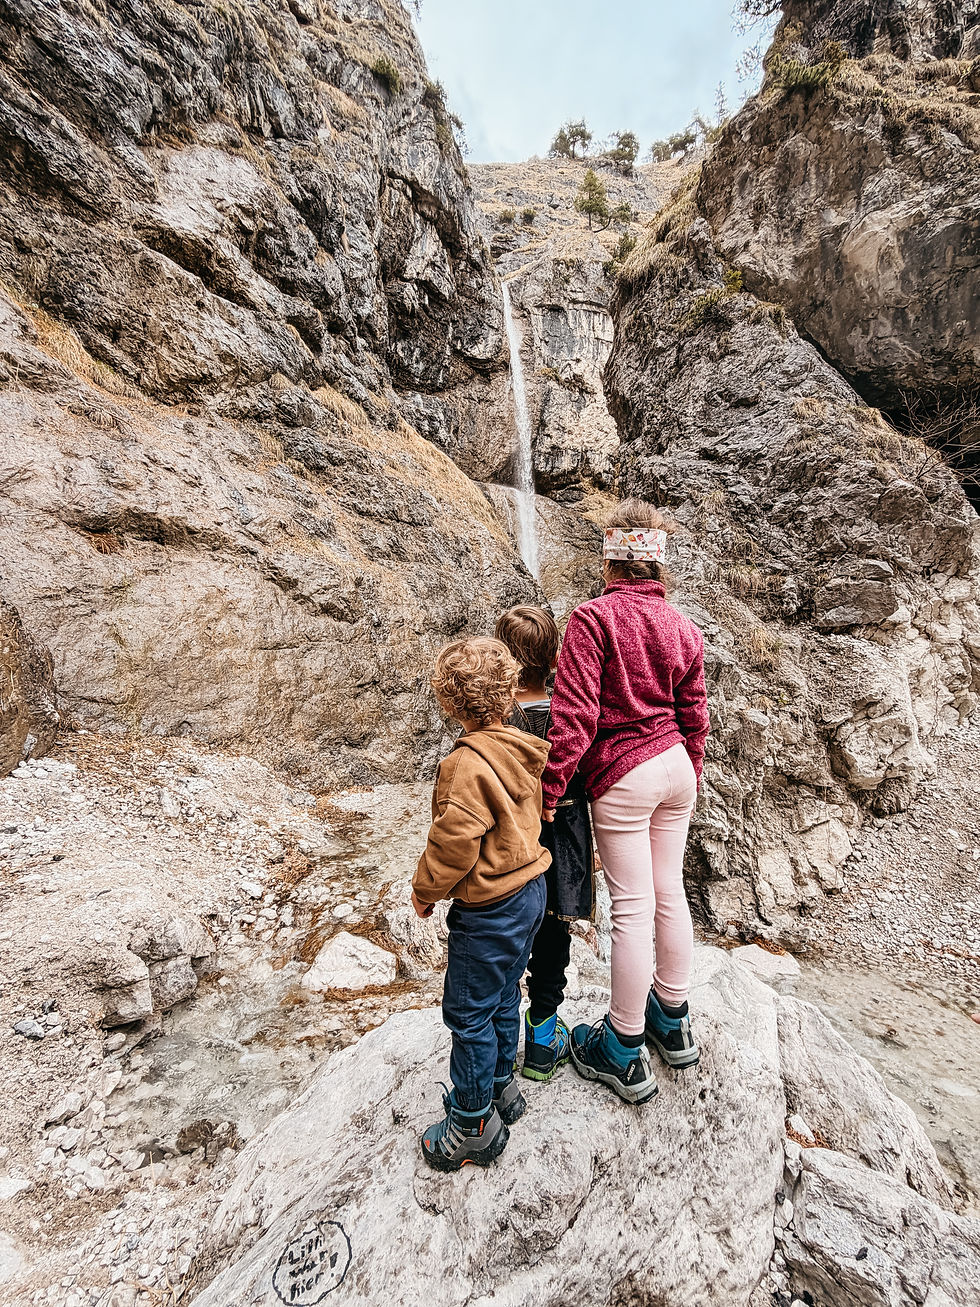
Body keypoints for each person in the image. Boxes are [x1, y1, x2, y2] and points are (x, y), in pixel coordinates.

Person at [540, 499, 709, 1105]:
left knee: (632, 909)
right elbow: (695, 714)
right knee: (670, 892)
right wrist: (689, 772)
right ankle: (673, 1018)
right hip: (675, 768)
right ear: (659, 564)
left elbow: (575, 717)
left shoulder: (593, 619)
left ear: (610, 561)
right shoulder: (683, 627)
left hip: (625, 773)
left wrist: (550, 789)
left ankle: (621, 1044)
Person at [411, 636, 550, 1171]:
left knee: (468, 1012)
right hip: (530, 891)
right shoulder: (522, 747)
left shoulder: (465, 765)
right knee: (505, 993)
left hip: (489, 907)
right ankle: (501, 1087)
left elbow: (454, 843)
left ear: (449, 702)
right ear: (510, 690)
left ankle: (472, 1123)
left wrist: (425, 890)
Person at [494, 606, 594, 1083]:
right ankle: (542, 1039)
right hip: (564, 838)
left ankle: (500, 1044)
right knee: (554, 936)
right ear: (555, 658)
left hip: (513, 845)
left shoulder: (495, 723)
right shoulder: (567, 716)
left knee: (510, 937)